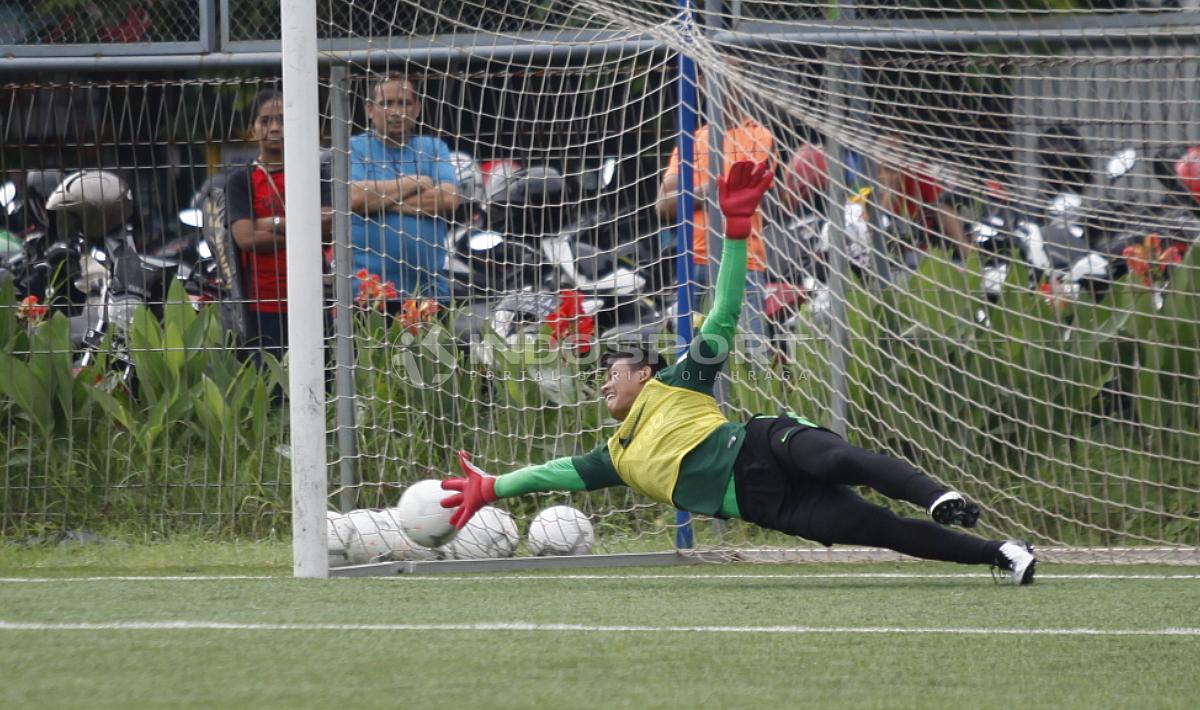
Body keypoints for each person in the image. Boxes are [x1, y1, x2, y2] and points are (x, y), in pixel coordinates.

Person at [440, 160, 1038, 585]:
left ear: (645, 373)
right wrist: (489, 487)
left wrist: (735, 229)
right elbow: (548, 474)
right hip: (769, 508)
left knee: (838, 460)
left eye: (612, 370)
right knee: (881, 530)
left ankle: (941, 497)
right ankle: (1003, 553)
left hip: (765, 444)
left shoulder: (678, 381)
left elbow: (725, 310)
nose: (604, 382)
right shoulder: (614, 458)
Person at [655, 101, 775, 362]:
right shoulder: (692, 140)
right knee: (685, 355)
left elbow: (737, 190)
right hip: (693, 260)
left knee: (754, 356)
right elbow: (664, 204)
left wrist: (691, 192)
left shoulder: (759, 135)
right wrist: (708, 190)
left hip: (742, 258)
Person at [224, 89, 332, 364]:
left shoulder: (314, 173)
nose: (274, 128)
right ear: (253, 129)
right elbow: (246, 238)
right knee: (270, 390)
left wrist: (272, 223)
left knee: (319, 381)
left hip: (312, 300)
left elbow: (329, 227)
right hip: (262, 305)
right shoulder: (241, 180)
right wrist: (305, 230)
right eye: (266, 120)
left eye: (283, 120)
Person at [348, 73, 460, 304]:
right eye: (387, 104)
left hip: (429, 293)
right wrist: (415, 182)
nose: (396, 112)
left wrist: (379, 202)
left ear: (417, 108)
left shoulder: (433, 147)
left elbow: (448, 200)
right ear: (370, 110)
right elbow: (354, 198)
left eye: (404, 103)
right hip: (368, 293)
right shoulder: (353, 148)